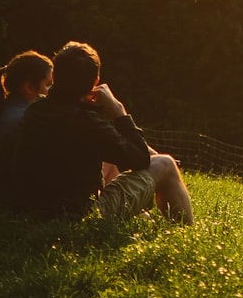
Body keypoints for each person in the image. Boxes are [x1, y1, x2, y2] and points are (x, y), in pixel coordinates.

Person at [13, 41, 193, 224]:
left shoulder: (36, 110)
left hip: (33, 210)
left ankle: (138, 214)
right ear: (95, 83)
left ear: (54, 75)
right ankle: (186, 235)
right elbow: (140, 158)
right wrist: (118, 111)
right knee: (166, 164)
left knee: (107, 164)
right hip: (79, 216)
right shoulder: (87, 122)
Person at [0, 50, 53, 207]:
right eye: (48, 85)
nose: (51, 91)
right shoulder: (25, 120)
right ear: (30, 86)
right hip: (10, 202)